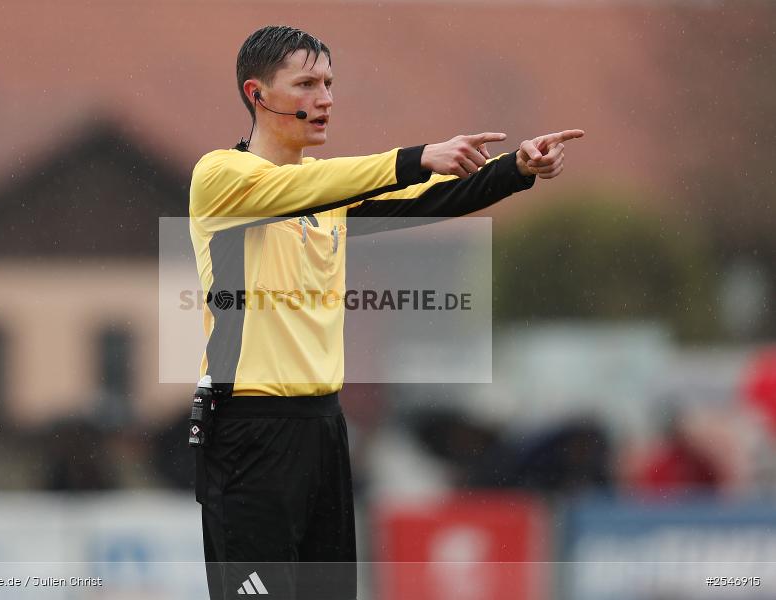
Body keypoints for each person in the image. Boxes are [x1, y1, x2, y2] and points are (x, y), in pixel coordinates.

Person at [188, 25, 583, 600]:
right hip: (249, 430)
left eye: (328, 83)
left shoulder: (325, 193)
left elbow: (432, 196)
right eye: (305, 84)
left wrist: (516, 169)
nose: (325, 98)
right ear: (257, 94)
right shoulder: (221, 176)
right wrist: (419, 155)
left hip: (322, 428)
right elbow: (350, 178)